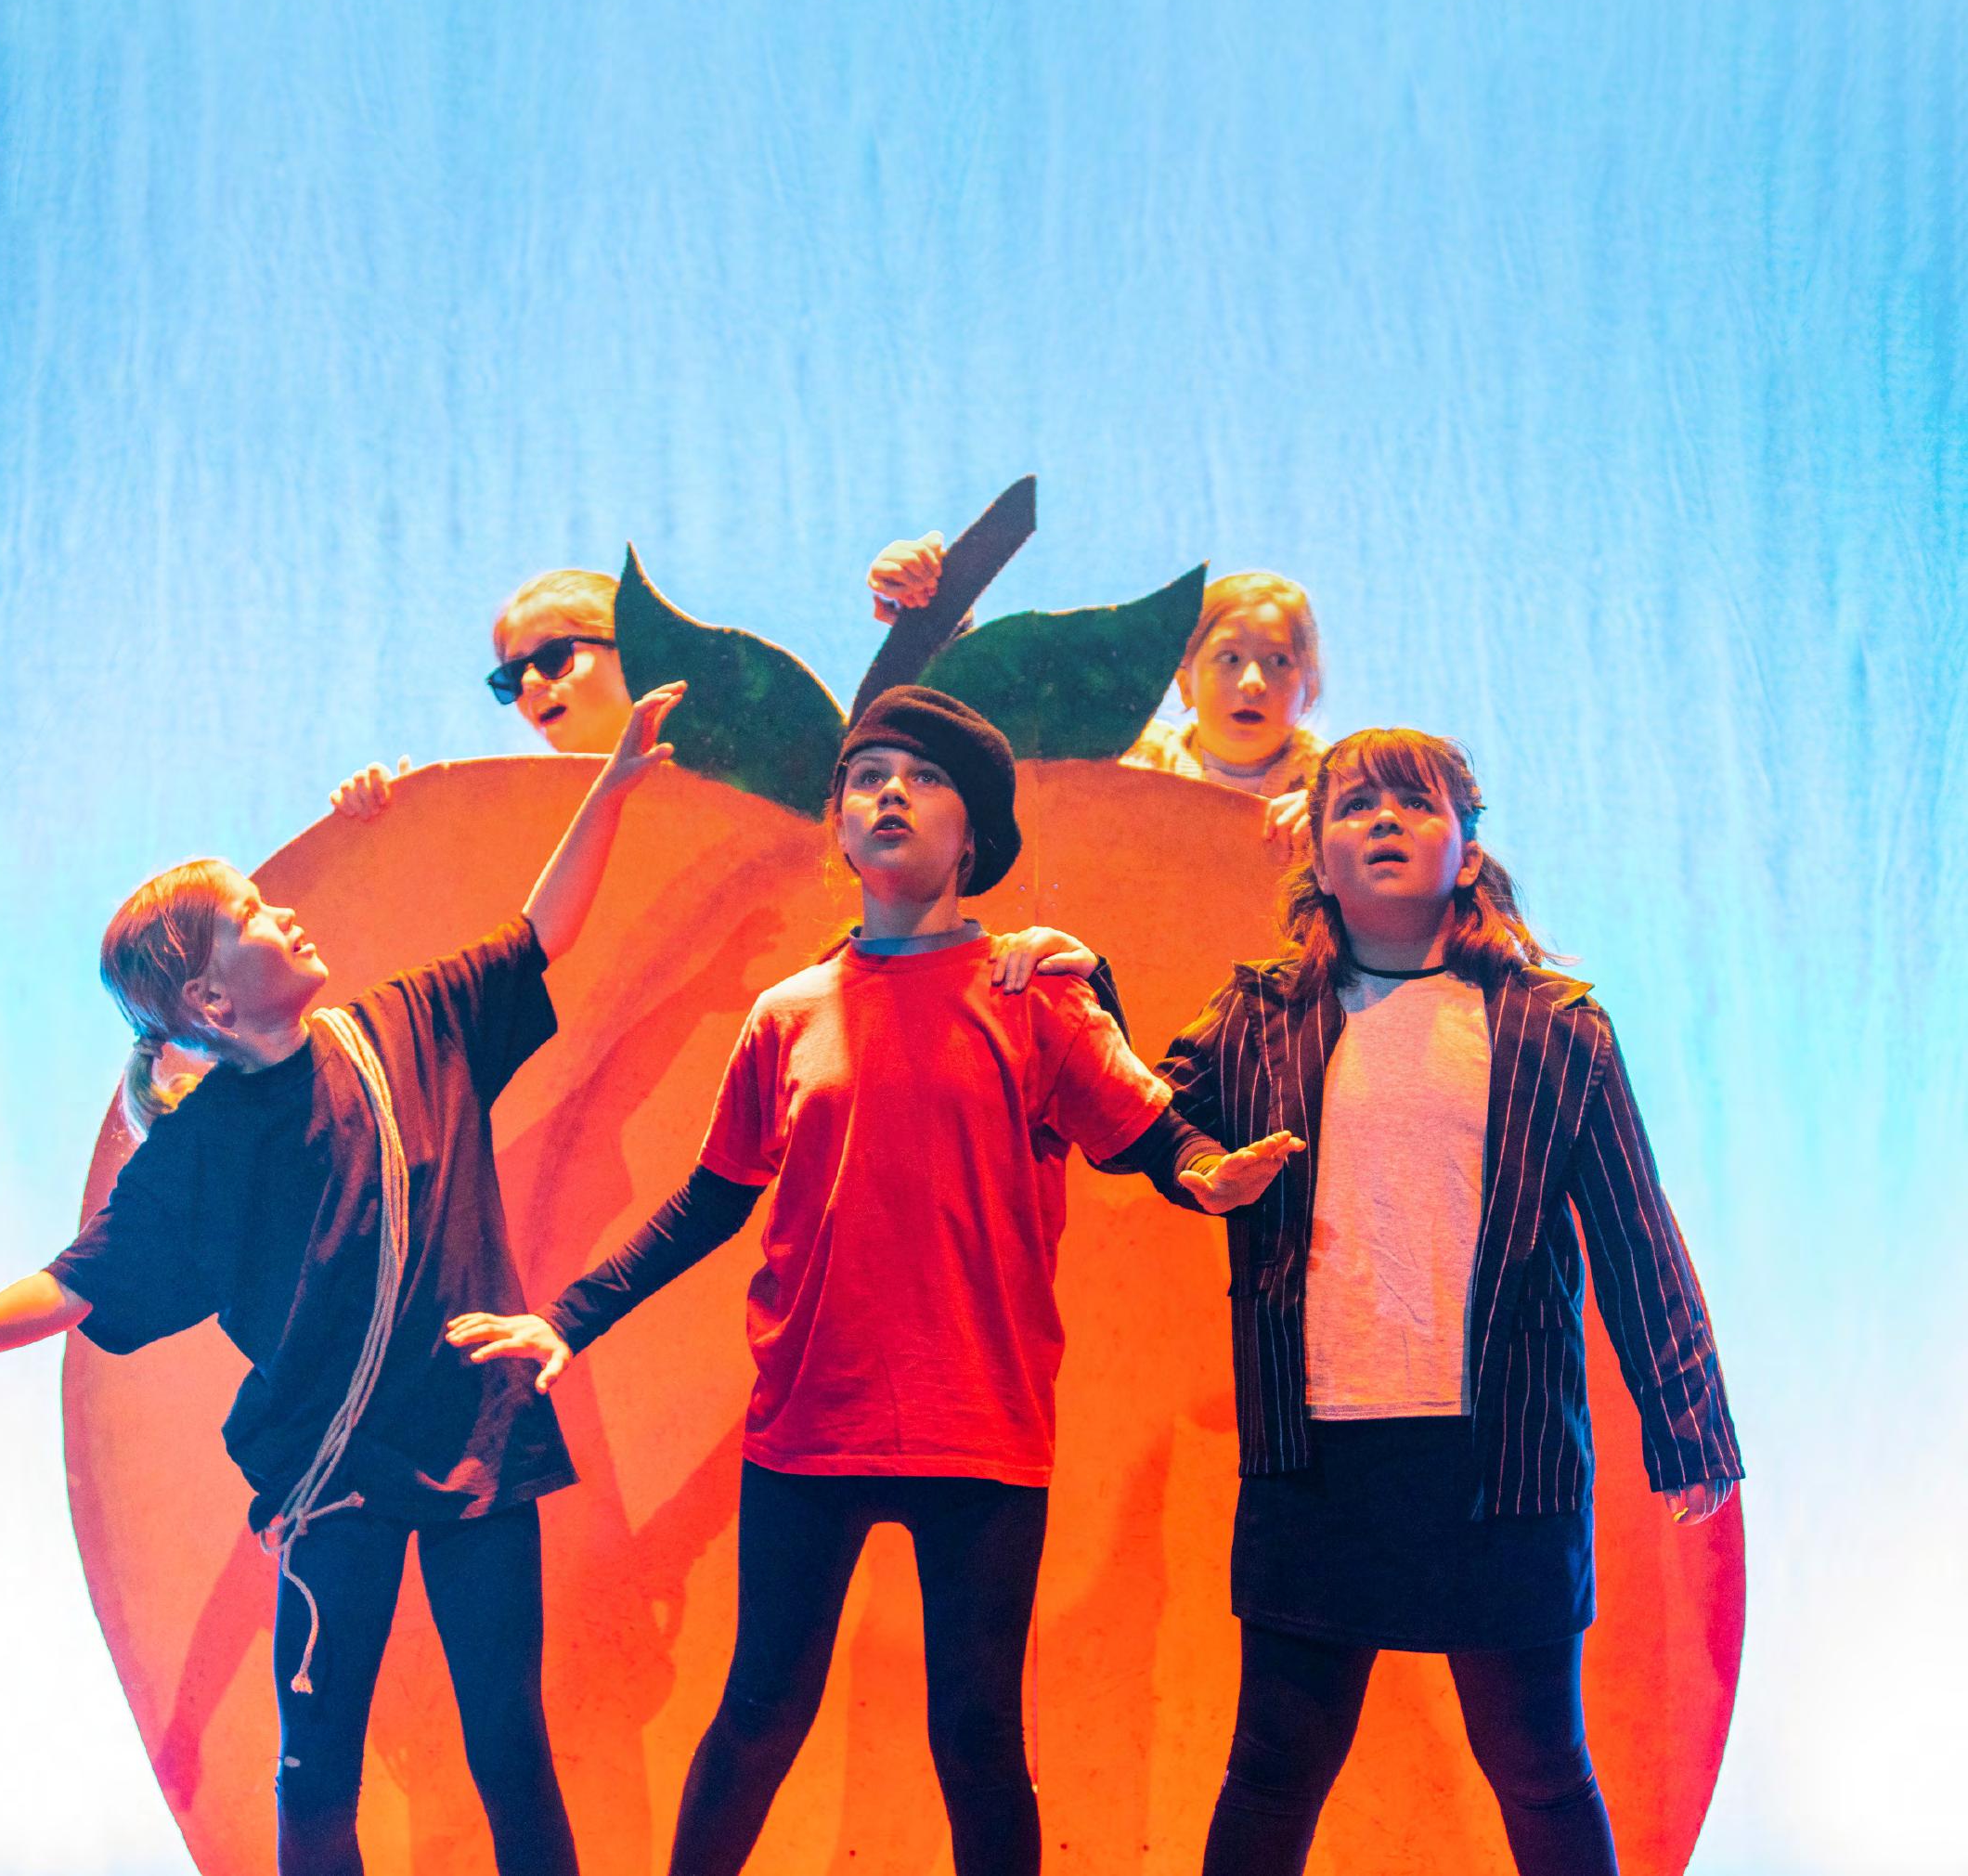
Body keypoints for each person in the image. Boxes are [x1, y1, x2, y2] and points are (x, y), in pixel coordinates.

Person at [0, 684, 688, 1876]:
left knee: (508, 1738)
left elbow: (535, 935)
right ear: (210, 1000)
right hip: (333, 1473)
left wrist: (613, 786)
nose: (282, 912)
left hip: (476, 1430)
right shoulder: (198, 1152)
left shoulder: (410, 1024)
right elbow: (77, 1281)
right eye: (250, 913)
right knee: (314, 1770)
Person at [448, 684, 1294, 1876]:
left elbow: (1152, 1133)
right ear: (841, 828)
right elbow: (709, 1201)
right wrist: (565, 1322)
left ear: (974, 836)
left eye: (924, 776)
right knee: (758, 1713)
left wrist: (1207, 1172)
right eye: (866, 776)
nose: (889, 792)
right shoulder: (785, 1014)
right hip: (811, 1422)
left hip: (981, 1426)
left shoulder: (1035, 992)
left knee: (979, 1737)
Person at [1147, 727, 1741, 1876]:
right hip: (1314, 1454)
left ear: (1466, 850)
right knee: (1272, 1765)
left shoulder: (1554, 1025)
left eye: (1413, 804)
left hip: (1502, 1460)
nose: (1383, 820)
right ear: (1317, 855)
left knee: (1538, 1762)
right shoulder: (1258, 1013)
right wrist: (1070, 980)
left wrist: (1687, 1426)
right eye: (1354, 805)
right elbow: (1139, 1114)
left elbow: (1634, 1233)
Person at [866, 545, 1325, 827]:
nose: (1252, 682)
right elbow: (985, 743)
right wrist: (929, 611)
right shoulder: (1129, 758)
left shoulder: (1337, 785)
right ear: (1184, 682)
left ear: (1309, 687)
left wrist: (1338, 820)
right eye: (1229, 658)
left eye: (1278, 661)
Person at [332, 566, 629, 816]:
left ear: (630, 654)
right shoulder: (525, 819)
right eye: (513, 674)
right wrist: (397, 819)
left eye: (553, 656)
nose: (529, 683)